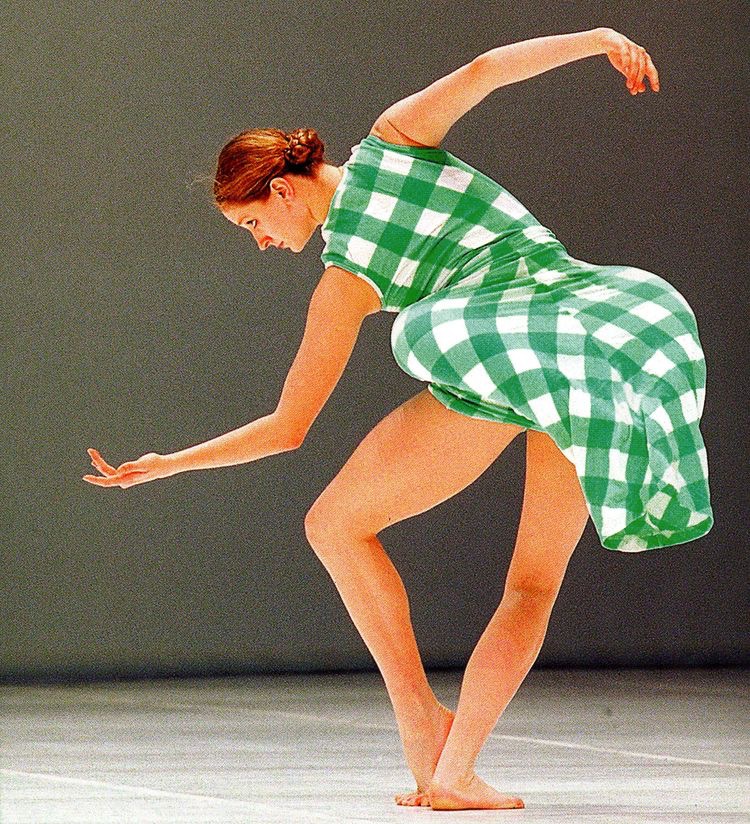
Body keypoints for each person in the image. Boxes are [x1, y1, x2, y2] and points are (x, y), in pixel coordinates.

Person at [83, 27, 712, 811]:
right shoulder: (395, 141)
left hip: (505, 352)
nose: (263, 243)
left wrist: (168, 464)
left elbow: (286, 427)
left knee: (336, 525)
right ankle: (453, 772)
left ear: (281, 191)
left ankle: (423, 727)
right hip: (583, 347)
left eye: (252, 225)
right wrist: (598, 39)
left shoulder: (346, 277)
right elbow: (487, 69)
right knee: (532, 583)